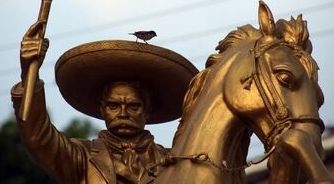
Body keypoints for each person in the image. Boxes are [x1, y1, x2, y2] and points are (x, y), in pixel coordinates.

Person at [11, 21, 198, 184]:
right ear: (102, 109)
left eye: (133, 106)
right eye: (113, 106)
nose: (123, 113)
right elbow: (38, 138)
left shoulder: (174, 162)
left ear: (148, 110)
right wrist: (29, 74)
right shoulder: (83, 157)